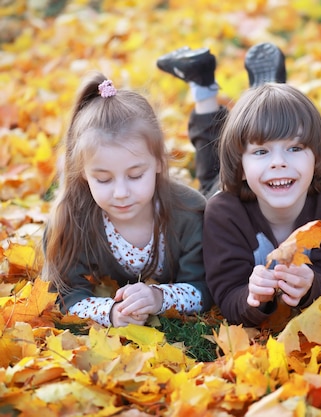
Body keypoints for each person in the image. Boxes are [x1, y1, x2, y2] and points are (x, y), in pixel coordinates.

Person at [157, 43, 321, 328]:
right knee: (212, 169)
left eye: (296, 147)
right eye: (262, 152)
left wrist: (313, 285)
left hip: (261, 178)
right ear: (240, 168)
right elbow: (227, 292)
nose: (279, 162)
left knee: (265, 124)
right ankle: (203, 87)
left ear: (317, 155)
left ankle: (267, 96)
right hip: (235, 193)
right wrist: (251, 296)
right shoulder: (224, 212)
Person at [41, 72, 212, 327]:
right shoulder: (71, 221)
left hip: (212, 197)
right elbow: (63, 293)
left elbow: (205, 288)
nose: (121, 192)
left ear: (158, 162)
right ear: (84, 174)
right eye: (104, 179)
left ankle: (207, 94)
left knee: (221, 183)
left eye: (135, 175)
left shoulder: (190, 212)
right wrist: (110, 312)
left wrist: (159, 298)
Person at [156, 42, 287, 196]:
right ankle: (267, 103)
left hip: (234, 193)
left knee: (217, 185)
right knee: (214, 183)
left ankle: (261, 104)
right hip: (272, 183)